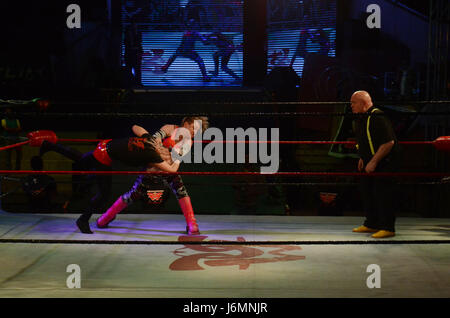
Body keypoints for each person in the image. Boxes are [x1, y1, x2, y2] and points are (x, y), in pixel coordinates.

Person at [38, 130, 181, 234]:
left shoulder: (150, 141)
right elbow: (172, 171)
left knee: (80, 159)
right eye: (166, 150)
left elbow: (135, 127)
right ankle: (83, 220)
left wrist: (149, 135)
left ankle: (48, 145)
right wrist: (179, 157)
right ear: (162, 147)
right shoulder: (153, 155)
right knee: (104, 194)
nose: (166, 154)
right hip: (104, 156)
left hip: (105, 145)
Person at [96, 116, 209, 235]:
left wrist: (166, 154)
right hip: (152, 167)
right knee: (133, 194)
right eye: (193, 128)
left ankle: (192, 225)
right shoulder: (169, 128)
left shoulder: (188, 142)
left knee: (181, 191)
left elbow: (175, 162)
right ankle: (105, 218)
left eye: (198, 131)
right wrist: (161, 150)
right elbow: (152, 142)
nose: (194, 133)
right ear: (186, 123)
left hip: (167, 169)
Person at [350, 91, 399, 238]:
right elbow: (365, 141)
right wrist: (363, 158)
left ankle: (388, 227)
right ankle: (371, 223)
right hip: (370, 162)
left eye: (353, 103)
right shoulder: (362, 118)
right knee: (367, 192)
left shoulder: (377, 116)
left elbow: (389, 142)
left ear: (363, 103)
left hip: (385, 162)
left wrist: (373, 161)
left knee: (383, 193)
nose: (351, 106)